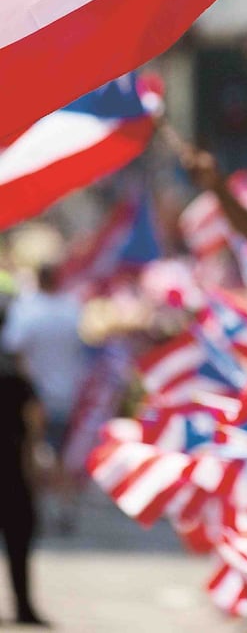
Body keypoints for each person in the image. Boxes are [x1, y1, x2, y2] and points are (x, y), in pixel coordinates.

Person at [2, 263, 90, 533]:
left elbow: (12, 347)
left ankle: (36, 508)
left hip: (34, 394)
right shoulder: (72, 308)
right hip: (69, 392)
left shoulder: (27, 310)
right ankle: (63, 505)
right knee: (61, 453)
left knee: (32, 452)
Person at [0, 299, 47, 626]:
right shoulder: (14, 373)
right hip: (12, 469)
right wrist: (33, 468)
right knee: (19, 542)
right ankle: (23, 607)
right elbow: (34, 424)